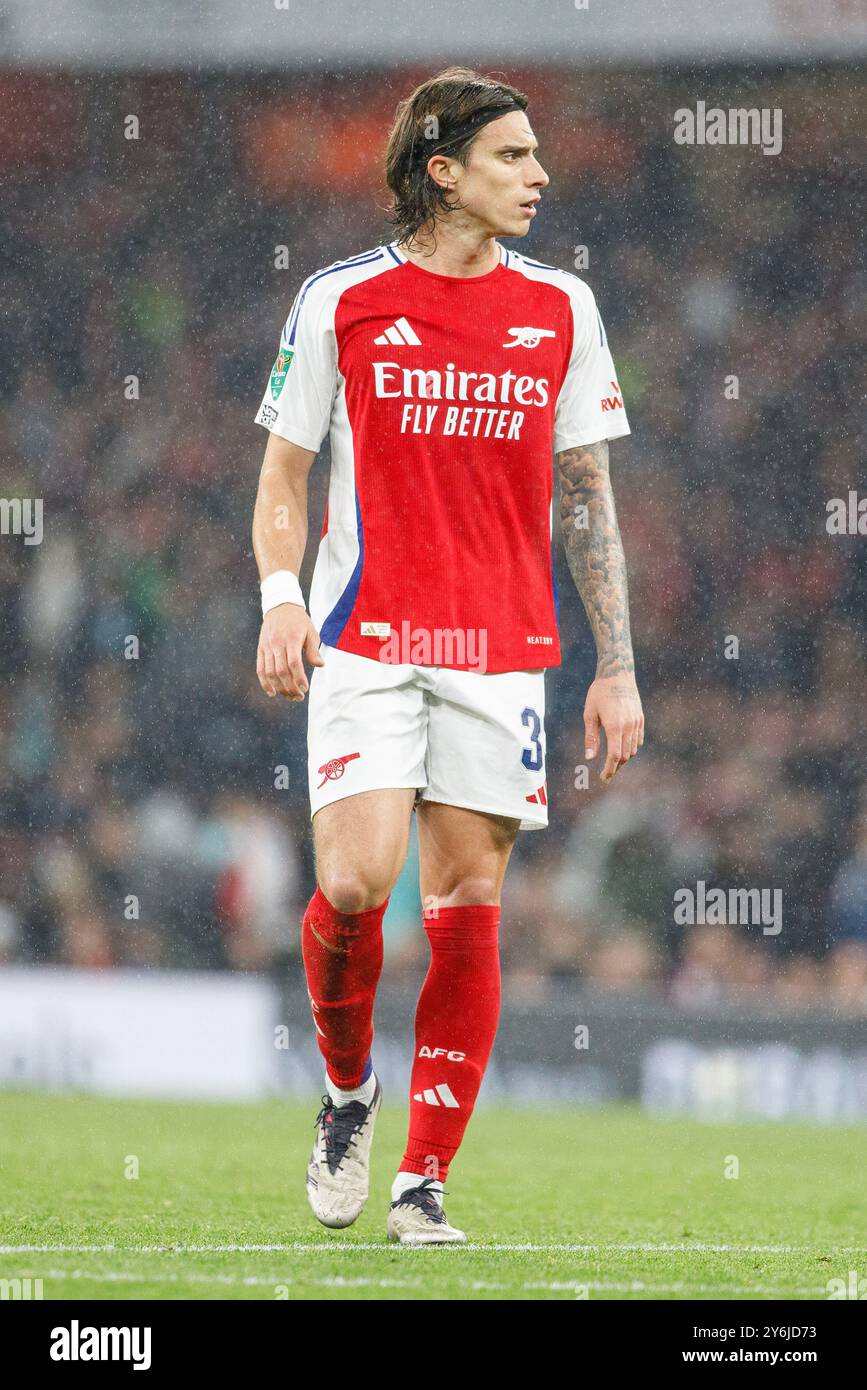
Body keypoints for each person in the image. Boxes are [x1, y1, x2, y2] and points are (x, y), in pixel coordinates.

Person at [251, 66, 644, 1245]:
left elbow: (587, 492)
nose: (538, 176)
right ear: (443, 171)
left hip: (499, 648)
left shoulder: (562, 309)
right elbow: (283, 473)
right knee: (358, 882)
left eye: (534, 156)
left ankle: (422, 1184)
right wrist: (280, 597)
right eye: (512, 157)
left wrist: (616, 665)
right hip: (367, 634)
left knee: (470, 899)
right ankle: (345, 1091)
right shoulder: (340, 300)